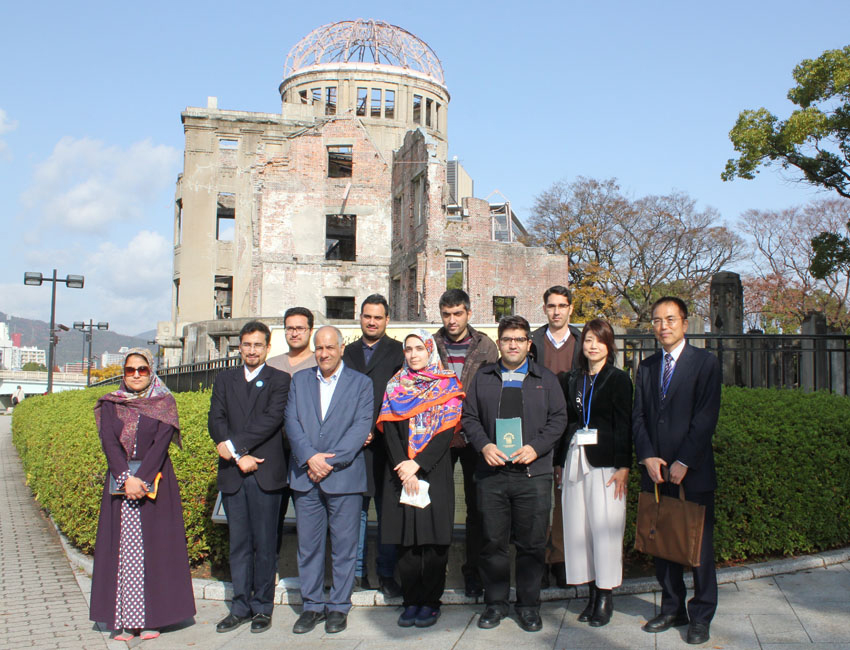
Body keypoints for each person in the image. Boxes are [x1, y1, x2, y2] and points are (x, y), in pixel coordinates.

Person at [462, 315, 567, 633]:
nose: (512, 344)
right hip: (493, 474)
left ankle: (528, 605)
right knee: (493, 543)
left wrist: (536, 447)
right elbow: (468, 417)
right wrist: (483, 446)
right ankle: (494, 604)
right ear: (499, 342)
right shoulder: (483, 377)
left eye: (519, 339)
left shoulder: (545, 379)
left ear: (528, 344)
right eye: (507, 339)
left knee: (532, 544)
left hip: (533, 475)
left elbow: (559, 419)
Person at [90, 348, 195, 642]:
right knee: (121, 551)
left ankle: (153, 618)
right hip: (120, 485)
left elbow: (161, 444)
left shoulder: (164, 402)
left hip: (156, 483)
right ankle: (121, 619)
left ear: (151, 371)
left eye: (142, 369)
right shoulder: (111, 403)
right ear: (123, 374)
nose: (136, 375)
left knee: (155, 550)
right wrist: (125, 478)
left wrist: (142, 480)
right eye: (130, 370)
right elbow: (109, 442)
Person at [633, 297, 721, 645]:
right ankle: (672, 607)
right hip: (656, 472)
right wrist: (648, 456)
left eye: (670, 319)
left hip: (692, 472)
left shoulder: (705, 363)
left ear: (685, 322)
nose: (663, 326)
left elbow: (706, 417)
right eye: (657, 320)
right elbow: (638, 416)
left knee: (698, 547)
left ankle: (701, 615)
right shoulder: (648, 366)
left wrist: (685, 460)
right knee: (663, 543)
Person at [286, 326, 374, 635]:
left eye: (329, 348)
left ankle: (338, 606)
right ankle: (311, 606)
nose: (324, 353)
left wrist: (329, 461)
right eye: (319, 348)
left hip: (344, 477)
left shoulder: (361, 384)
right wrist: (310, 457)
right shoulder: (299, 380)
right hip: (305, 476)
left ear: (341, 348)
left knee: (344, 547)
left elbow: (361, 426)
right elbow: (292, 422)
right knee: (308, 547)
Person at [376, 329, 464, 628]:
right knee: (407, 541)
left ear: (431, 351)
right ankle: (411, 601)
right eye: (408, 349)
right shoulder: (395, 385)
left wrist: (418, 465)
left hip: (434, 472)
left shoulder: (447, 385)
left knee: (433, 541)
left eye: (419, 348)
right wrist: (403, 463)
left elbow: (445, 432)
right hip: (399, 472)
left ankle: (431, 602)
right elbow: (388, 429)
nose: (413, 354)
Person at [208, 321, 290, 634]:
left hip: (265, 472)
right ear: (239, 347)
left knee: (265, 544)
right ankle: (240, 607)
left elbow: (270, 420)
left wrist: (235, 448)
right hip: (234, 473)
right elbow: (216, 418)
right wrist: (237, 456)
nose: (252, 350)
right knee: (239, 544)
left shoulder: (279, 380)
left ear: (268, 348)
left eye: (258, 345)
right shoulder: (225, 379)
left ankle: (262, 608)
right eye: (246, 344)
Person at [559, 319, 633, 627]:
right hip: (576, 458)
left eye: (599, 341)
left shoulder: (618, 380)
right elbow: (567, 421)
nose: (592, 346)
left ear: (609, 345)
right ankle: (589, 590)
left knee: (604, 528)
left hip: (606, 464)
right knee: (579, 529)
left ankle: (605, 594)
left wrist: (624, 465)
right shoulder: (573, 379)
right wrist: (558, 462)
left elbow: (625, 425)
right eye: (588, 339)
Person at [432, 289, 498, 597]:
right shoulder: (430, 344)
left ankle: (473, 574)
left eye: (458, 313)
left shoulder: (486, 345)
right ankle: (435, 573)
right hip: (440, 438)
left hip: (475, 438)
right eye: (447, 314)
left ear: (468, 313)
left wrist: (473, 432)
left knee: (477, 509)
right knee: (437, 508)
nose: (452, 320)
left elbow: (493, 393)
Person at [342, 294, 404, 598]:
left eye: (378, 317)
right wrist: (356, 432)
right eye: (367, 316)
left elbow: (402, 398)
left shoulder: (399, 352)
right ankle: (354, 573)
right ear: (361, 317)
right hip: (354, 448)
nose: (372, 322)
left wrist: (376, 430)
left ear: (387, 320)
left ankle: (387, 573)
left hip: (388, 446)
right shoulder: (348, 352)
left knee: (388, 512)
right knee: (356, 513)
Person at [530, 285, 582, 588]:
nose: (557, 311)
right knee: (537, 501)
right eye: (551, 306)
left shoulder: (581, 341)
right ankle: (537, 563)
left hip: (573, 430)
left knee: (565, 500)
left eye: (562, 306)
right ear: (545, 308)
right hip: (537, 429)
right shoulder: (533, 341)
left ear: (570, 309)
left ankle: (560, 560)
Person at [266, 307, 317, 554]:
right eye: (290, 328)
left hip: (308, 452)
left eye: (300, 328)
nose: (294, 333)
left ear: (310, 330)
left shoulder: (321, 362)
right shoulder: (272, 365)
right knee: (273, 513)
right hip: (275, 450)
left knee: (309, 516)